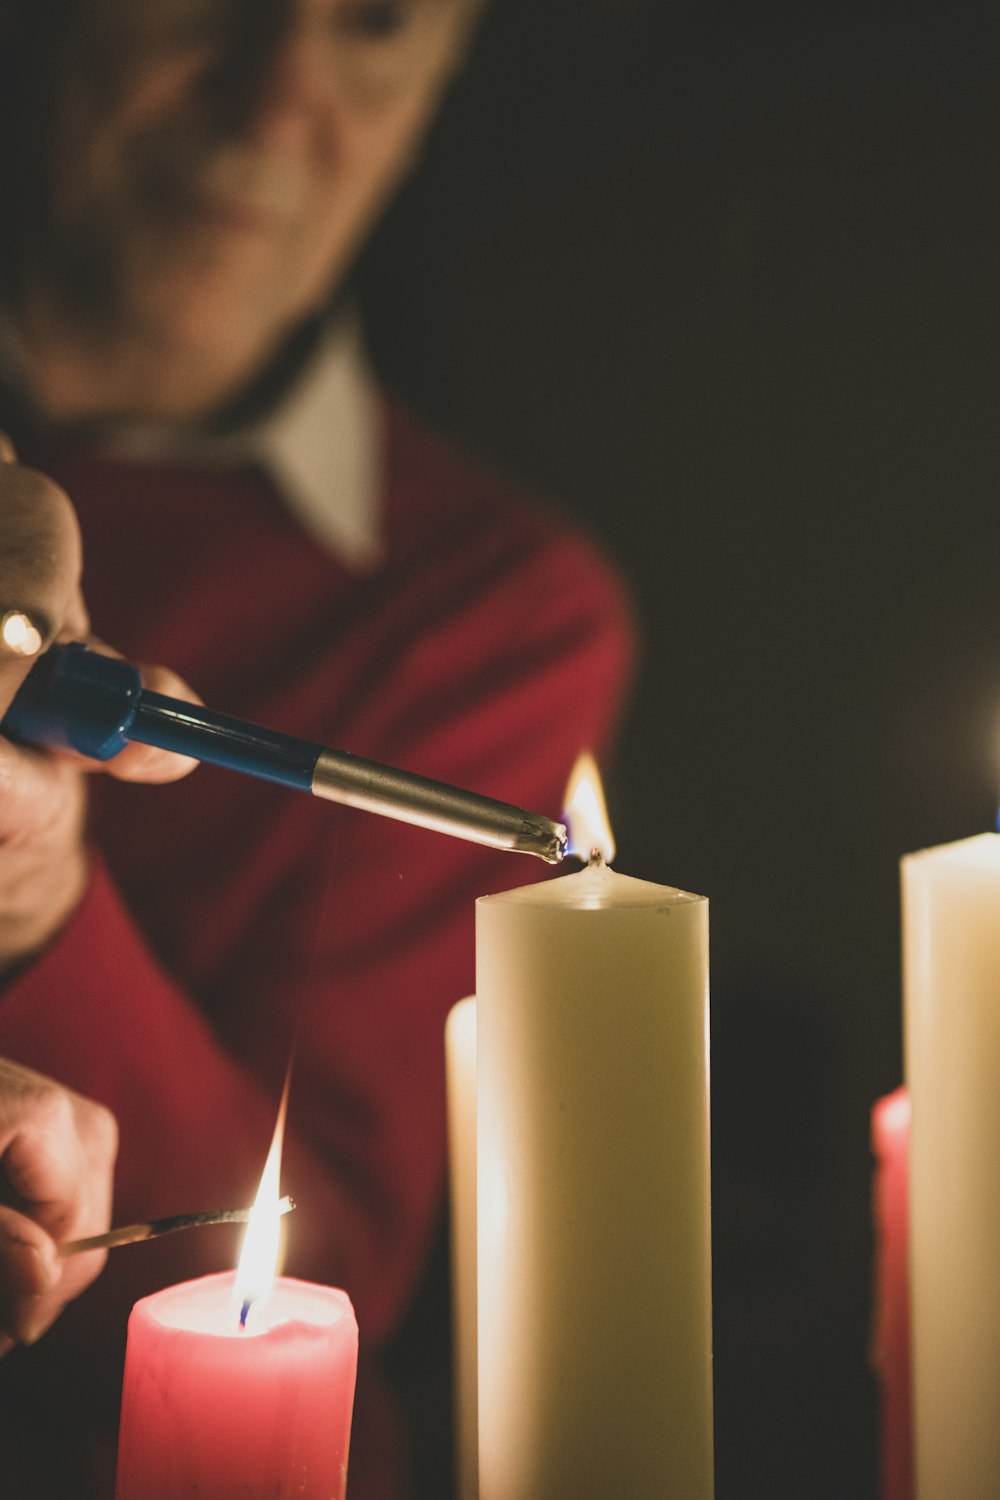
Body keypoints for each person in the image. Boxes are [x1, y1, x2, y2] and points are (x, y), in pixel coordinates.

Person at [0, 1, 635, 1495]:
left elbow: (301, 1276)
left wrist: (31, 895)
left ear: (438, 81)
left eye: (372, 21)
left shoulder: (490, 607)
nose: (276, 99)